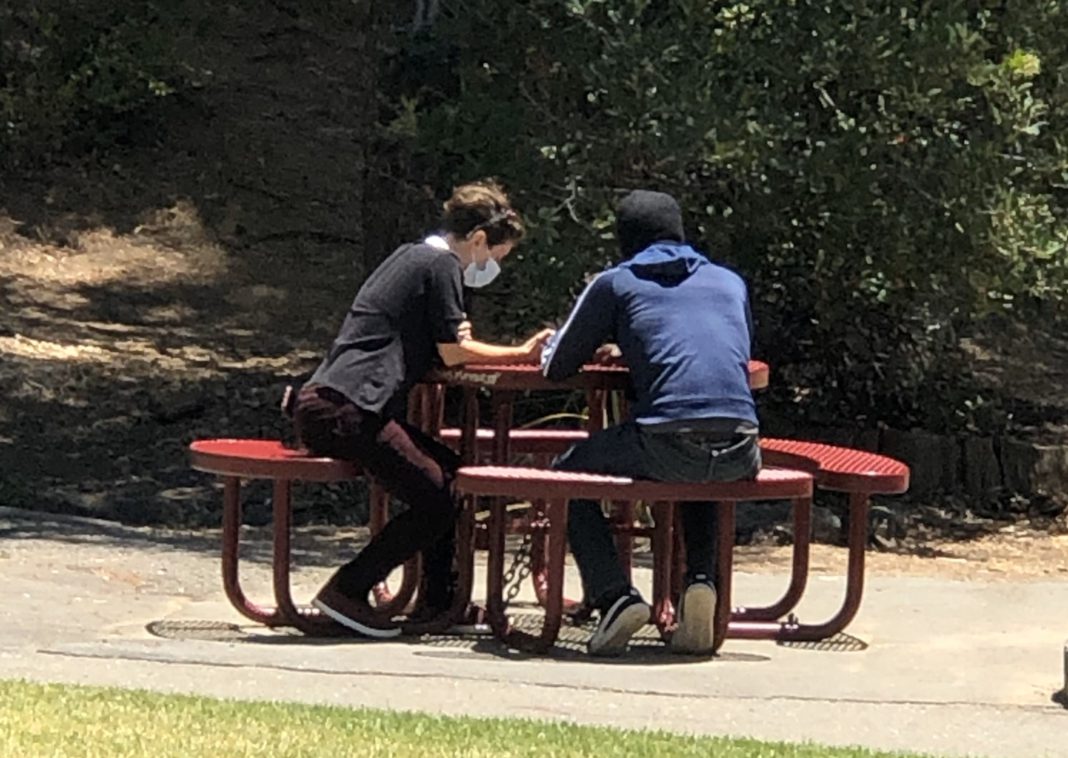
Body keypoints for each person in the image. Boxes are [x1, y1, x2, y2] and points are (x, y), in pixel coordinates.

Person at [294, 180, 554, 637]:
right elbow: (456, 351)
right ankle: (347, 591)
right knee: (437, 498)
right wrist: (523, 353)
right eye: (496, 256)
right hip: (351, 409)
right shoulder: (442, 266)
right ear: (477, 240)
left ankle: (441, 600)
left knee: (448, 471)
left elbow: (436, 343)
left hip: (329, 403)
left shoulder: (408, 257)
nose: (492, 266)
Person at [540, 189, 761, 656]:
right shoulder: (728, 282)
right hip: (743, 443)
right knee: (698, 469)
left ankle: (614, 597)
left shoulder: (617, 283)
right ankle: (700, 582)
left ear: (624, 239)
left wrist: (617, 338)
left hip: (665, 438)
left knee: (564, 475)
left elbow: (556, 364)